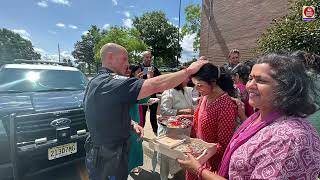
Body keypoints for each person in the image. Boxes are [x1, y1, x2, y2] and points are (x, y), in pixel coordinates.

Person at [178, 53, 320, 179]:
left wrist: (199, 169)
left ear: (287, 87)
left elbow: (223, 143)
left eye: (261, 80)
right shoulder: (260, 117)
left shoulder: (290, 138)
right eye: (250, 78)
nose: (249, 85)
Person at [84, 43, 208, 180]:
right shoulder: (109, 83)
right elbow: (155, 85)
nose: (128, 64)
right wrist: (189, 71)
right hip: (108, 156)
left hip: (108, 153)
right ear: (110, 57)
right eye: (124, 59)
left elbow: (106, 113)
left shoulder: (98, 82)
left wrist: (131, 124)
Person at [186, 63, 238, 180]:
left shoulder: (225, 106)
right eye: (195, 85)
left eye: (200, 85)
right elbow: (197, 120)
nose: (197, 89)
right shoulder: (205, 97)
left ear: (213, 82)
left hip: (210, 165)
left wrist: (202, 157)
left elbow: (223, 145)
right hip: (197, 155)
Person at [158, 76, 197, 180]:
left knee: (179, 154)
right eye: (186, 78)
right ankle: (163, 177)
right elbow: (164, 111)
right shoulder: (169, 92)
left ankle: (176, 175)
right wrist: (182, 111)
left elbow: (192, 102)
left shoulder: (187, 90)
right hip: (171, 130)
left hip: (184, 129)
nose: (189, 80)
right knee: (166, 156)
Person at [127, 64, 150, 174]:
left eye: (142, 72)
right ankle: (129, 166)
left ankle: (134, 165)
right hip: (128, 118)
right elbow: (140, 98)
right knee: (131, 143)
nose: (141, 74)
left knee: (136, 143)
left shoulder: (136, 84)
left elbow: (143, 100)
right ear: (132, 73)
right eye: (139, 72)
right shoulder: (129, 85)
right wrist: (147, 81)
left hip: (135, 115)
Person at [140, 51, 161, 134]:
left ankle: (156, 132)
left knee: (153, 115)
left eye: (150, 57)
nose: (149, 59)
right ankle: (141, 132)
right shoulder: (139, 68)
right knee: (142, 116)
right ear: (143, 58)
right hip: (143, 96)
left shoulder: (154, 68)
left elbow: (160, 78)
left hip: (153, 95)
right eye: (147, 57)